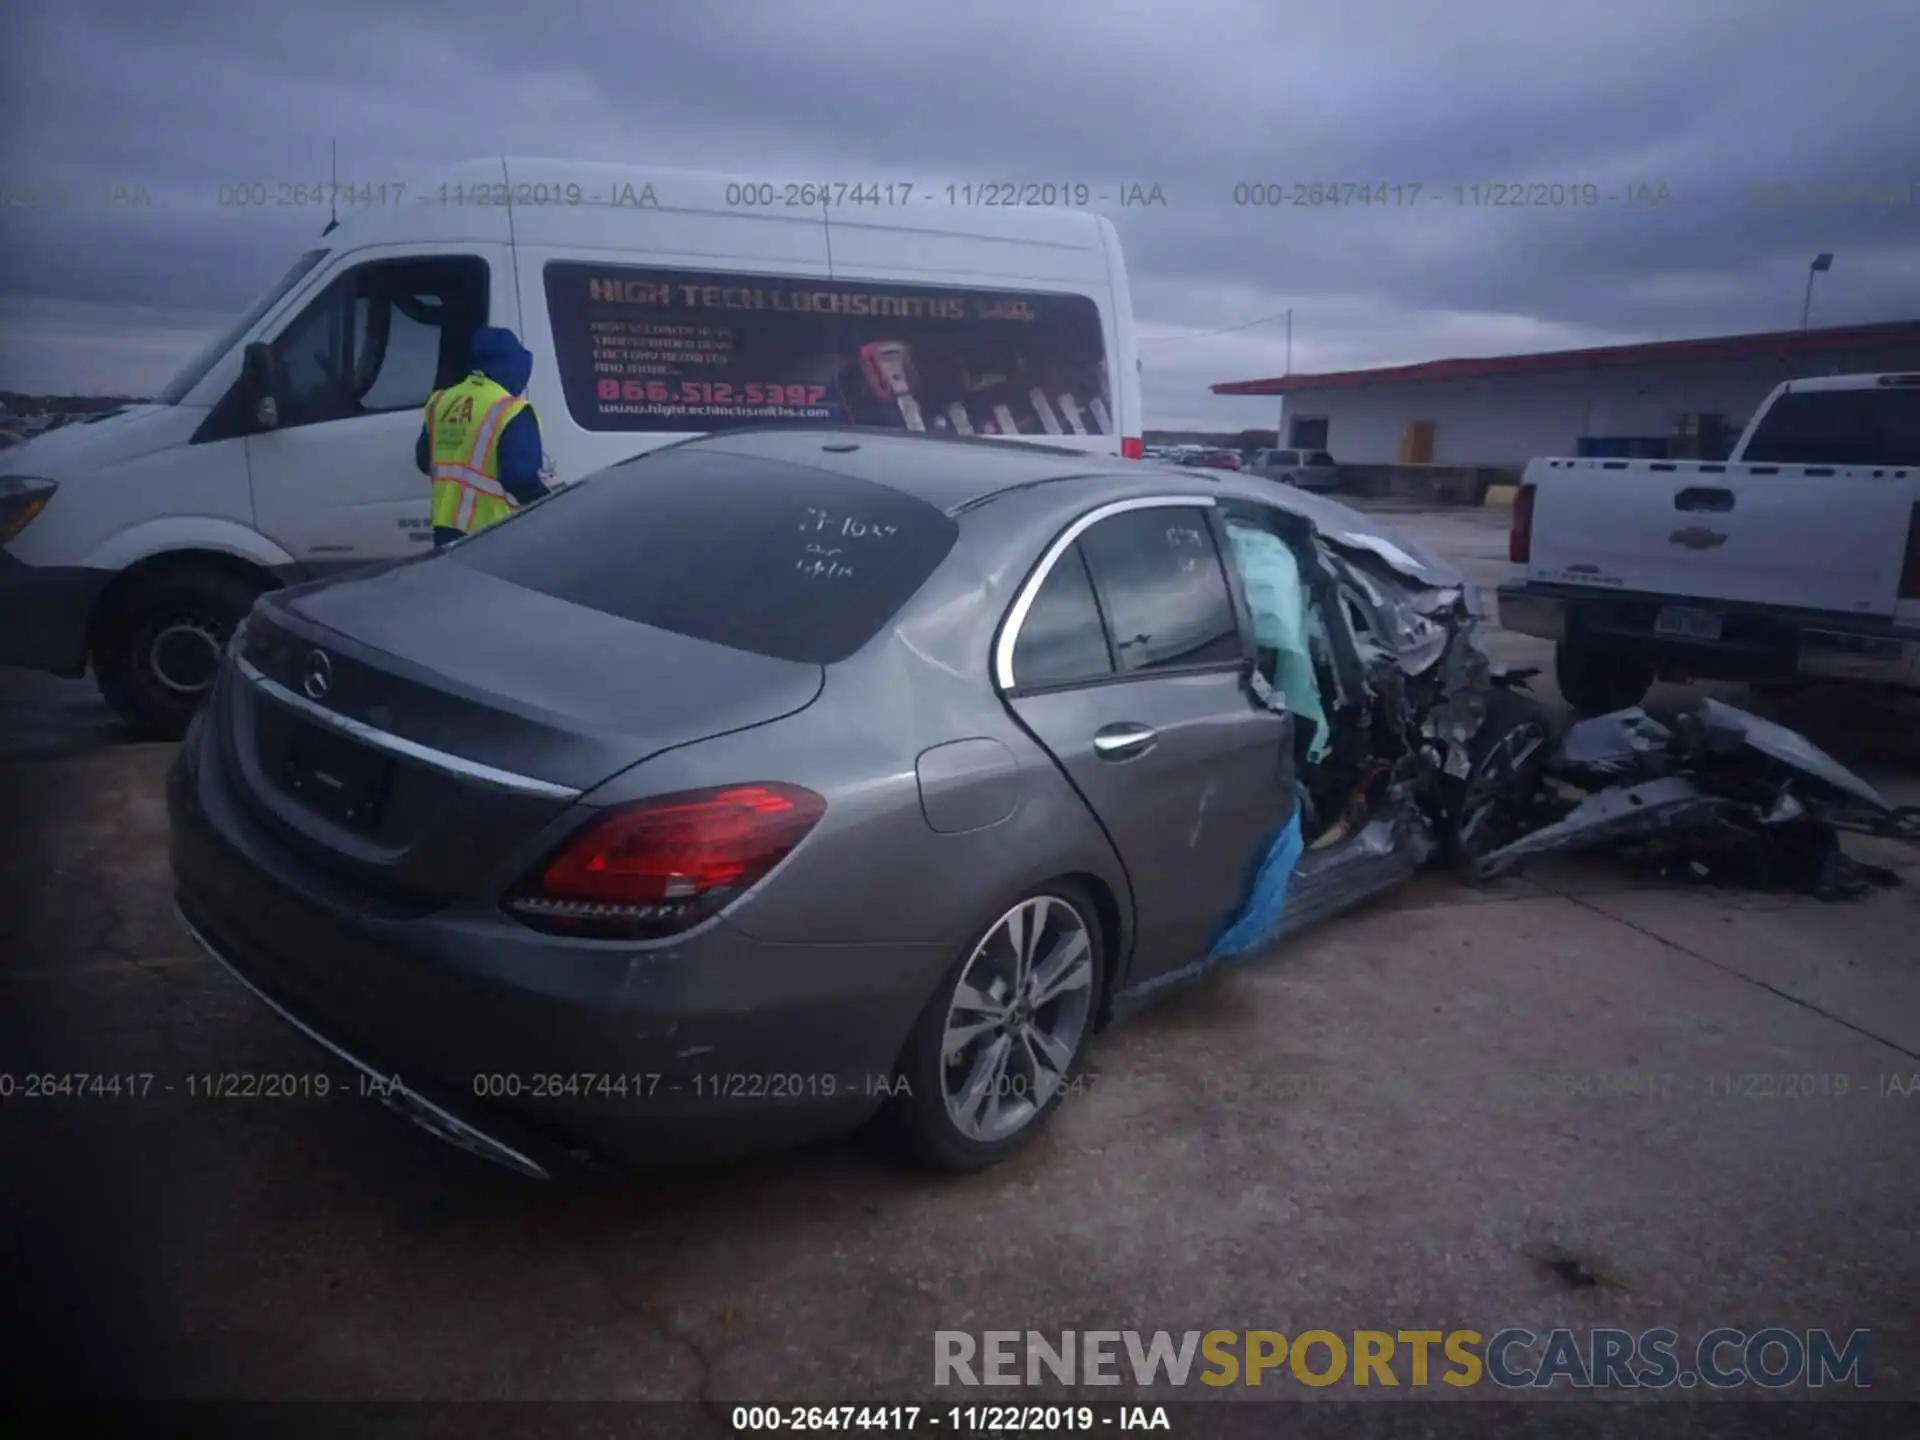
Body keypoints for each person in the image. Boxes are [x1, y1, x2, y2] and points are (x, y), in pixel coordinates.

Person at [416, 326, 548, 547]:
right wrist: (551, 502)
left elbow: (424, 460)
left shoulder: (441, 400)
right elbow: (519, 478)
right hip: (494, 532)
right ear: (514, 365)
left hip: (446, 530)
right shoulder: (511, 410)